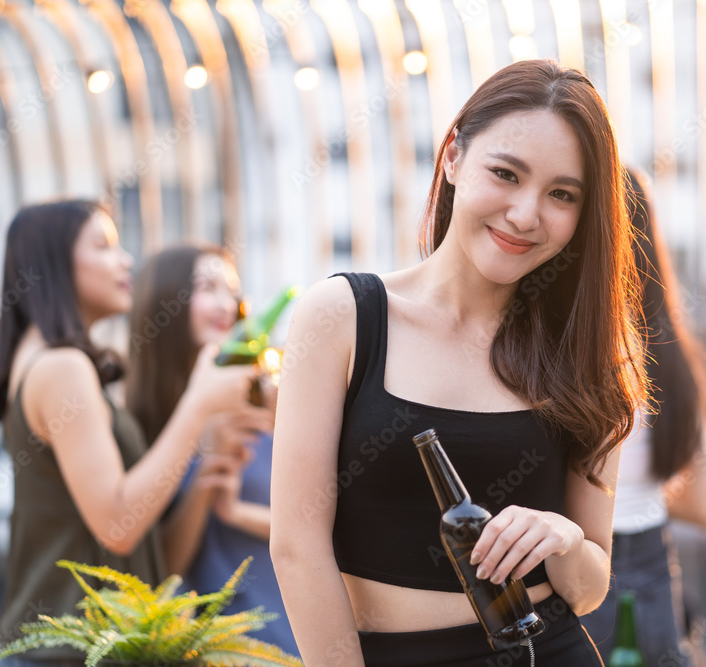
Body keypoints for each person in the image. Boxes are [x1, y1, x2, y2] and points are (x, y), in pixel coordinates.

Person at [270, 59, 649, 666]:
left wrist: (565, 539)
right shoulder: (341, 316)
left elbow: (588, 588)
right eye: (505, 173)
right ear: (452, 157)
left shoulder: (584, 352)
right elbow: (296, 545)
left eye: (561, 194)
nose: (526, 214)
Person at [0, 201, 252, 664]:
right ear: (54, 264)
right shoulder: (62, 367)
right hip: (70, 651)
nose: (125, 260)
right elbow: (119, 524)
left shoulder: (46, 363)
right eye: (103, 246)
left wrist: (204, 474)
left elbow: (141, 548)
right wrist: (200, 402)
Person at [579, 169, 706, 665]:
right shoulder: (671, 358)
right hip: (656, 572)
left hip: (575, 570)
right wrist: (641, 490)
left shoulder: (557, 350)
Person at [124, 243, 298, 656]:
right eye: (207, 287)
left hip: (295, 641)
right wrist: (207, 477)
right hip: (216, 650)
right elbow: (162, 570)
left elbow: (323, 526)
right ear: (163, 301)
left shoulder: (269, 397)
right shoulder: (138, 424)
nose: (226, 304)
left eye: (232, 291)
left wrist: (236, 511)